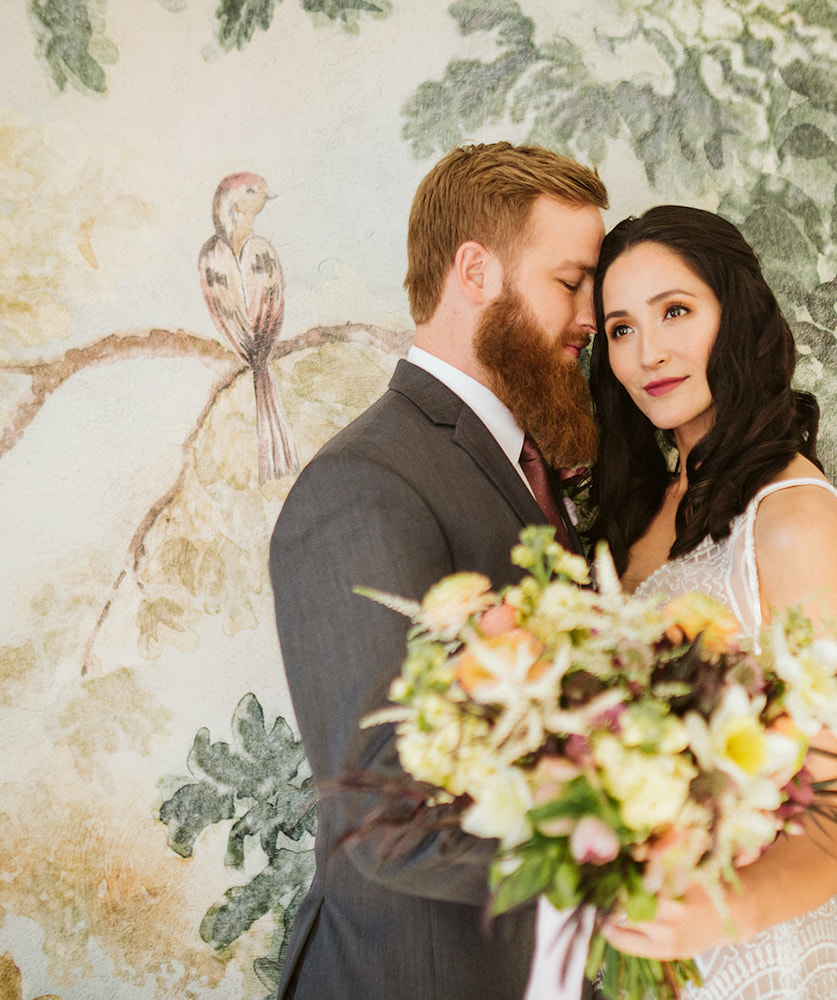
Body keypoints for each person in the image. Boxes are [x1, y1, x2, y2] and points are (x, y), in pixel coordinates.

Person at [269, 142, 607, 1000]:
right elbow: (384, 814)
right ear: (476, 270)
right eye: (571, 282)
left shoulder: (529, 464)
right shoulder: (366, 486)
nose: (591, 317)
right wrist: (618, 854)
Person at [588, 205, 837, 999]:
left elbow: (836, 815)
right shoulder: (638, 507)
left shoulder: (791, 519)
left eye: (675, 311)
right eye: (619, 329)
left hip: (754, 958)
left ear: (732, 316)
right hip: (632, 947)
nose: (649, 353)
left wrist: (712, 914)